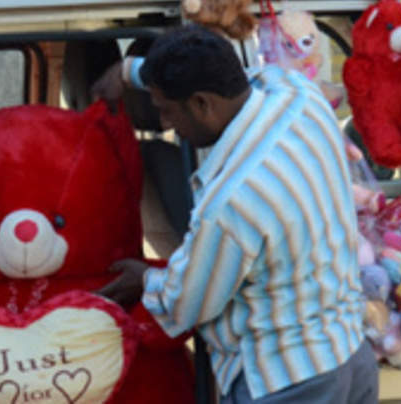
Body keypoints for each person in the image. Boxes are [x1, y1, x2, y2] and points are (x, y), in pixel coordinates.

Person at [91, 25, 376, 404]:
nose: (165, 124)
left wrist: (145, 278)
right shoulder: (296, 93)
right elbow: (235, 74)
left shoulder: (233, 200)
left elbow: (188, 301)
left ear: (202, 104)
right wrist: (128, 72)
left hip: (288, 382)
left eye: (167, 111)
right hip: (349, 352)